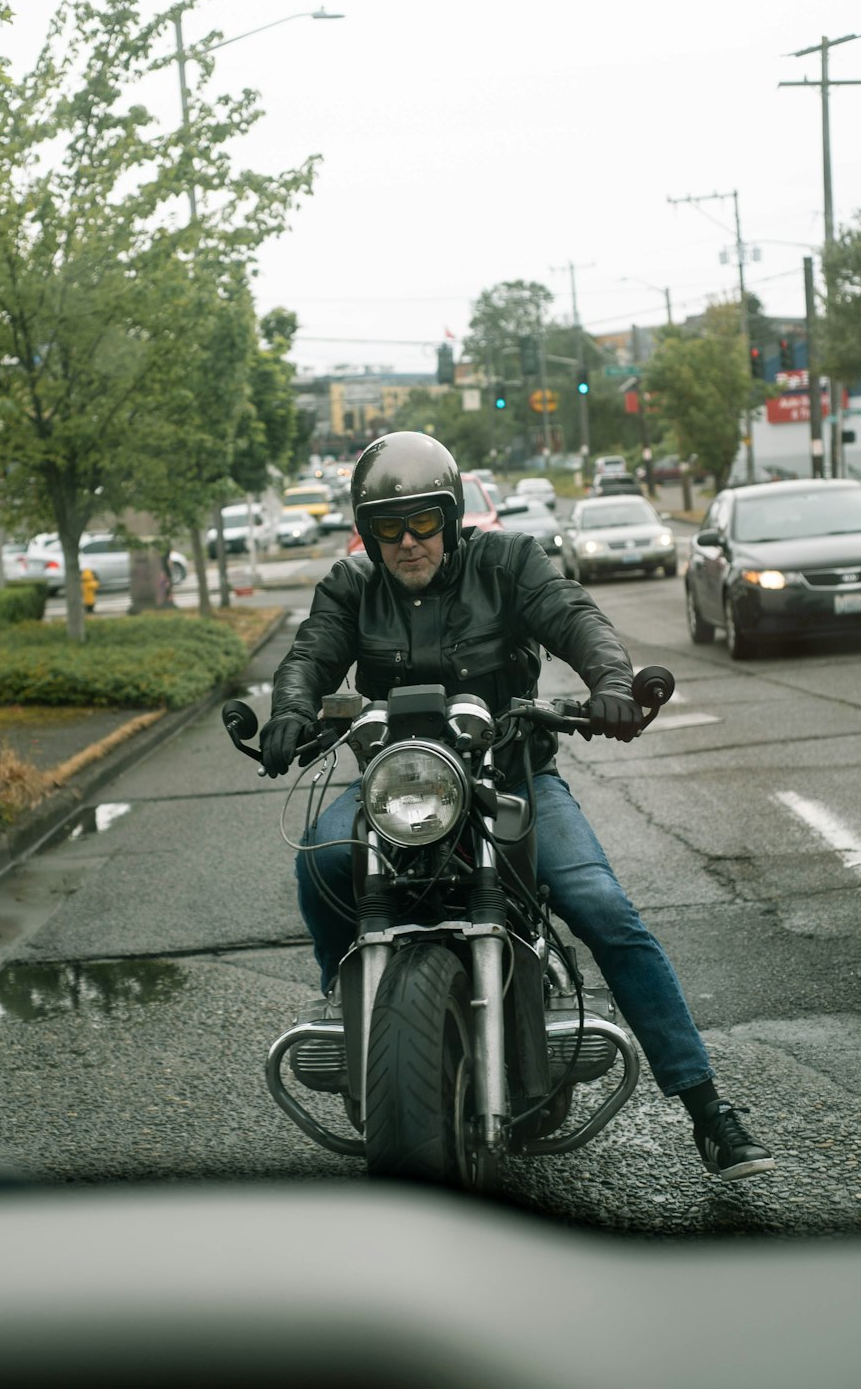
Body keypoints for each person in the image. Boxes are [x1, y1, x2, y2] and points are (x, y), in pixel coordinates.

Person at [260, 432, 774, 1184]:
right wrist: (289, 708)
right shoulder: (349, 584)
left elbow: (573, 616)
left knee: (602, 906)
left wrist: (610, 680)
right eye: (389, 527)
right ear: (368, 533)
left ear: (452, 514)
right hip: (405, 786)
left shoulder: (508, 564)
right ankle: (353, 1003)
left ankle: (708, 1108)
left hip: (513, 773)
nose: (409, 542)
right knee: (322, 860)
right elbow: (310, 652)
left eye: (424, 522)